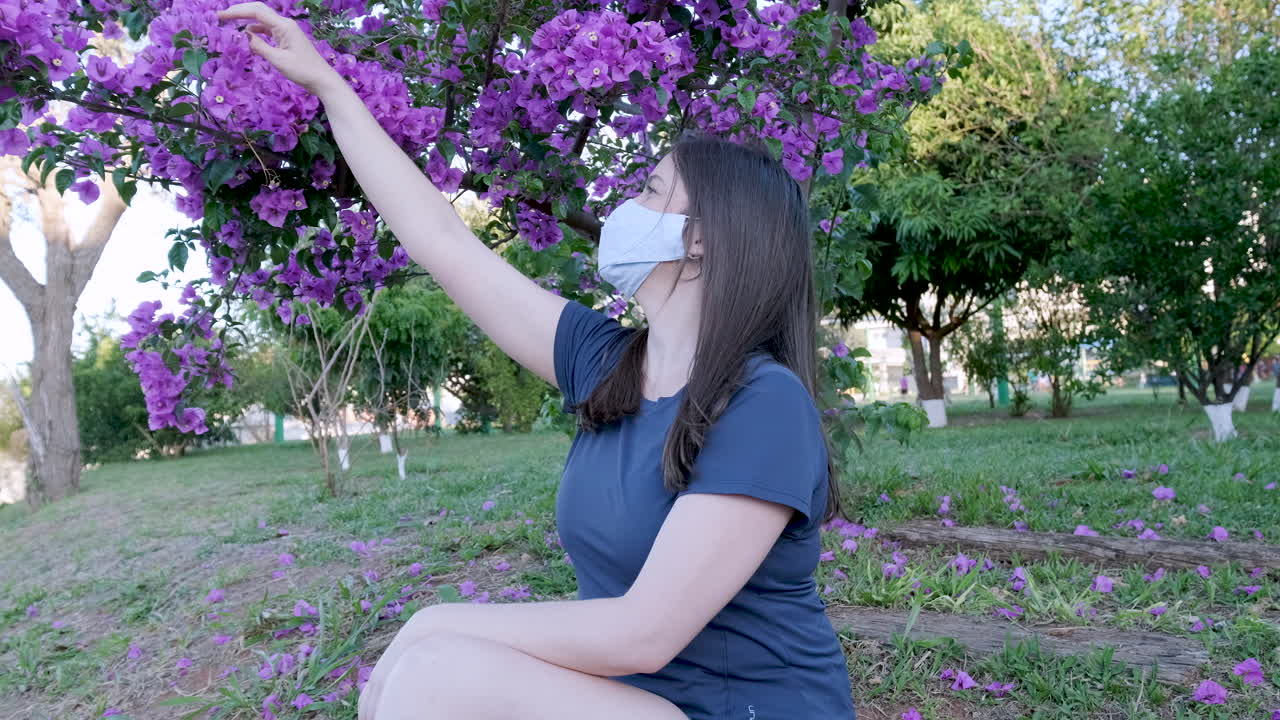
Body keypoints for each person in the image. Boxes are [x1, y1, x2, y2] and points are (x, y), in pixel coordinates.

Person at [217, 5, 857, 720]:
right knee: (424, 676)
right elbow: (441, 240)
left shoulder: (763, 404)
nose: (625, 205)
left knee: (433, 670)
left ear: (700, 239)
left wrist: (432, 621)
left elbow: (642, 634)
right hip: (633, 704)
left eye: (649, 191)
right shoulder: (606, 363)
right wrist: (330, 88)